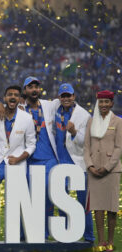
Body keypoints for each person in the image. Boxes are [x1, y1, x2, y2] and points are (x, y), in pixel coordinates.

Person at [53, 83, 94, 243]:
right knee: (62, 201)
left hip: (78, 164)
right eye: (63, 96)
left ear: (74, 96)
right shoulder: (55, 109)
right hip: (60, 163)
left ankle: (89, 237)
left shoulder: (83, 115)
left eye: (68, 95)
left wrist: (74, 132)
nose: (66, 99)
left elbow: (87, 142)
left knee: (83, 203)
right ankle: (65, 234)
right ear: (59, 98)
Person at [84, 90, 122, 252]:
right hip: (94, 170)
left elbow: (119, 147)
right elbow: (86, 147)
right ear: (97, 103)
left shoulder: (118, 121)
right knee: (98, 207)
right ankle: (101, 242)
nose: (104, 105)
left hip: (111, 171)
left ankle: (110, 241)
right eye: (101, 102)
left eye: (107, 102)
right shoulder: (91, 121)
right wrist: (90, 165)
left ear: (112, 103)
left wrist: (107, 167)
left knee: (112, 207)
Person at [22, 76, 59, 240]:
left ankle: (44, 232)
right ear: (25, 91)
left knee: (46, 194)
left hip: (48, 158)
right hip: (28, 159)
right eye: (30, 87)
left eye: (36, 86)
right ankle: (29, 232)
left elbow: (69, 103)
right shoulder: (19, 108)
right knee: (29, 198)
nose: (34, 89)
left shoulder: (49, 105)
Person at [0, 85, 36, 182]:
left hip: (16, 161)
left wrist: (18, 159)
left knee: (16, 196)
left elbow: (31, 145)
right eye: (9, 94)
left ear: (19, 99)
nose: (12, 97)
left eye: (16, 95)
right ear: (4, 98)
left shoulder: (27, 118)